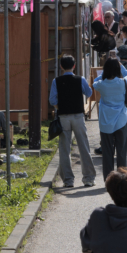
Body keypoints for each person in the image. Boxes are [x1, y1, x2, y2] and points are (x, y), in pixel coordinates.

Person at [49, 55, 95, 188]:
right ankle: (88, 178)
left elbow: (52, 100)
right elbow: (89, 93)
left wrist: (60, 107)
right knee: (83, 147)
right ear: (74, 66)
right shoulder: (79, 79)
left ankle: (68, 180)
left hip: (63, 117)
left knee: (64, 149)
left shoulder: (56, 81)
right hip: (78, 116)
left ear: (61, 67)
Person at [93, 58, 127, 178]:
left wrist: (103, 74)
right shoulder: (123, 82)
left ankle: (108, 179)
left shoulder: (101, 84)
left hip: (106, 121)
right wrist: (122, 67)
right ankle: (122, 177)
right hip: (121, 119)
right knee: (121, 152)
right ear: (117, 69)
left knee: (107, 152)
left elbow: (95, 81)